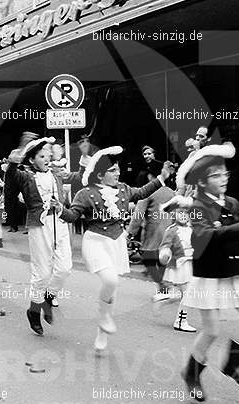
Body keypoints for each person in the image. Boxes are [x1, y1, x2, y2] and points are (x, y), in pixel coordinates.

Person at [173, 144, 239, 404]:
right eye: (216, 175)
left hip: (234, 271)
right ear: (202, 181)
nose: (223, 179)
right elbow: (202, 235)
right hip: (210, 272)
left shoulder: (233, 202)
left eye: (225, 174)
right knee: (211, 330)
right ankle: (191, 373)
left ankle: (233, 364)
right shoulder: (198, 205)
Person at [56, 146, 172, 351]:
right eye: (113, 170)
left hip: (116, 242)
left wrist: (161, 178)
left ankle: (102, 328)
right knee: (110, 280)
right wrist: (60, 209)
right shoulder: (86, 193)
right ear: (100, 174)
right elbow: (73, 215)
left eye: (118, 170)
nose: (118, 173)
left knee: (113, 286)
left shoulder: (124, 189)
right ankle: (105, 316)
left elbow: (143, 191)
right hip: (95, 241)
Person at [6, 137, 83, 335]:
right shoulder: (25, 176)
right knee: (42, 273)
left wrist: (85, 166)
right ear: (31, 160)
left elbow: (78, 177)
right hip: (39, 225)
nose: (46, 158)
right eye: (41, 156)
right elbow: (12, 174)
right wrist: (14, 161)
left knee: (65, 268)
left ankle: (49, 297)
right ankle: (34, 310)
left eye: (47, 155)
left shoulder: (56, 174)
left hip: (60, 222)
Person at [157, 198, 197, 332]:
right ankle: (180, 321)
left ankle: (163, 299)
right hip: (180, 266)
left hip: (190, 264)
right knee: (188, 294)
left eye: (186, 213)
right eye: (180, 213)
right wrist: (164, 254)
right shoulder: (172, 230)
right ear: (174, 214)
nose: (184, 216)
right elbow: (165, 246)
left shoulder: (192, 228)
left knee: (182, 294)